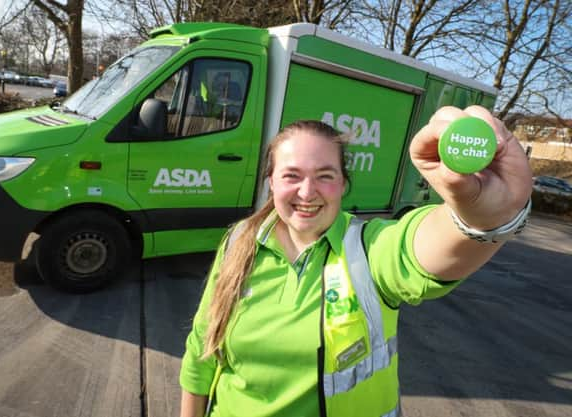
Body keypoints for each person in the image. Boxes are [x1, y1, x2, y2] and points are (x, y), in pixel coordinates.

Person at [179, 106, 533, 417]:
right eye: (291, 175)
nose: (307, 192)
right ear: (271, 182)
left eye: (325, 176)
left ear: (343, 185)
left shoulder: (366, 249)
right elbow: (201, 348)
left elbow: (415, 248)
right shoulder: (240, 240)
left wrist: (481, 216)